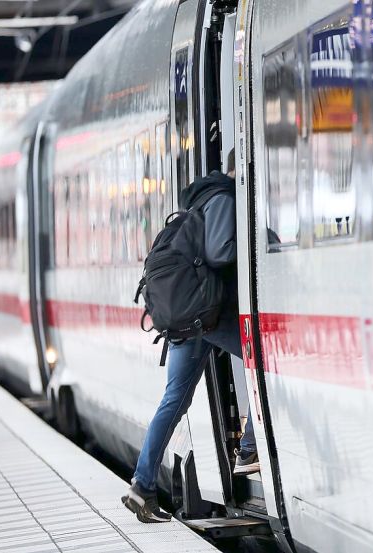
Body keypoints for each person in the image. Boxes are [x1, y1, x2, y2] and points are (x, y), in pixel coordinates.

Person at [122, 150, 259, 524]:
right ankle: (248, 447)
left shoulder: (197, 201)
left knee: (173, 400)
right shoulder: (226, 197)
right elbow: (219, 251)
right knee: (260, 355)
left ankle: (142, 485)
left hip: (186, 320)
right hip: (205, 317)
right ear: (241, 169)